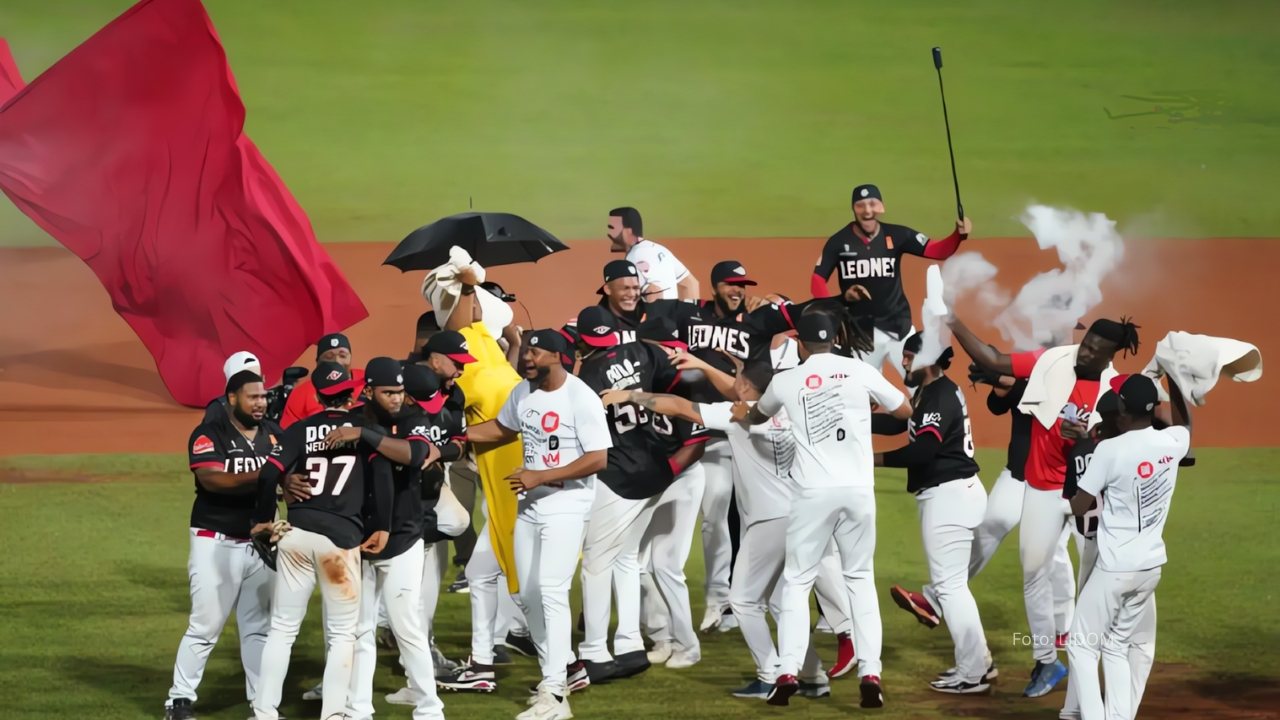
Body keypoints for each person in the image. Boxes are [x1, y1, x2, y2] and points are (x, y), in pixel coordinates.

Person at [607, 360, 834, 701]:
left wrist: (629, 395)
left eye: (738, 380)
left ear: (744, 387)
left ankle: (769, 674)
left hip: (767, 522)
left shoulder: (737, 414)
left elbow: (681, 407)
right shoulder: (792, 412)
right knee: (777, 599)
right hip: (803, 516)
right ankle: (813, 675)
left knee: (742, 600)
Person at [949, 315, 1141, 697]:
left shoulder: (1114, 388)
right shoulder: (1053, 359)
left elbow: (1128, 446)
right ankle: (1046, 661)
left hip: (1089, 492)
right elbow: (992, 358)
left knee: (1099, 575)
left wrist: (1087, 438)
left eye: (1094, 351)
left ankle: (1101, 652)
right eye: (1085, 343)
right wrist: (952, 321)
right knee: (1033, 571)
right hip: (1042, 488)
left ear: (1109, 356)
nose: (1084, 352)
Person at [737, 312, 912, 708]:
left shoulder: (785, 380)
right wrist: (858, 406)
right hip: (857, 492)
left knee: (797, 582)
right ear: (835, 338)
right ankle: (870, 671)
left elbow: (757, 415)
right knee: (859, 579)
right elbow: (904, 411)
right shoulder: (858, 370)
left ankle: (786, 670)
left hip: (812, 494)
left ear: (800, 343)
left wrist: (748, 415)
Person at [249, 361, 420, 720]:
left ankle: (264, 712)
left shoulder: (298, 430)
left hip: (296, 536)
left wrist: (264, 519)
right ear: (352, 392)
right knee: (343, 635)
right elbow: (384, 481)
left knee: (281, 629)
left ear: (316, 394)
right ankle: (333, 714)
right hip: (339, 543)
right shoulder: (365, 431)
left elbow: (268, 475)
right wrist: (384, 526)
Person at [465, 329, 612, 720]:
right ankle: (561, 673)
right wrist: (453, 438)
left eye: (536, 351)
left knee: (550, 590)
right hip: (529, 504)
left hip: (567, 503)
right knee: (525, 595)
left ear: (559, 355)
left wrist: (541, 476)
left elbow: (598, 458)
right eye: (526, 349)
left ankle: (554, 692)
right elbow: (502, 428)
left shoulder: (580, 397)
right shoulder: (524, 392)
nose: (527, 357)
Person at [577, 308, 706, 680]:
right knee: (626, 559)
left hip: (620, 479)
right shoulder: (643, 353)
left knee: (596, 564)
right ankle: (631, 646)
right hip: (655, 472)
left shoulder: (586, 377)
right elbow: (682, 379)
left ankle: (595, 653)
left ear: (583, 341)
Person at [1067, 374, 1191, 720]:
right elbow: (1185, 424)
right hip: (1150, 569)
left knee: (1081, 646)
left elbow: (1080, 506)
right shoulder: (1173, 442)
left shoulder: (1108, 450)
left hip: (1115, 569)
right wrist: (1177, 382)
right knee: (1116, 646)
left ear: (1121, 407)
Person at [874, 334, 993, 694]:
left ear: (928, 360)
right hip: (957, 492)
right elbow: (902, 423)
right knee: (952, 586)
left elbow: (923, 451)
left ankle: (972, 673)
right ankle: (979, 664)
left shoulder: (938, 395)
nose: (904, 363)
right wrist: (856, 417)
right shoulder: (933, 390)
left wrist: (872, 460)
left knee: (951, 589)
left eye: (909, 357)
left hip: (949, 496)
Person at [684, 260, 796, 631]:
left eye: (742, 285)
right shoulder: (695, 316)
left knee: (756, 518)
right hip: (713, 432)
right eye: (731, 284)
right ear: (715, 286)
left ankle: (755, 600)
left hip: (751, 433)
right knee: (716, 512)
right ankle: (718, 599)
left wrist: (775, 304)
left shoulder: (760, 322)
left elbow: (796, 315)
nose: (738, 290)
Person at [164, 370, 283, 720]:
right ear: (232, 398)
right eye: (253, 397)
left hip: (261, 545)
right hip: (215, 543)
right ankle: (179, 700)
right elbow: (213, 479)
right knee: (205, 625)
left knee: (258, 627)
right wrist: (269, 475)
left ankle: (262, 707)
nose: (261, 403)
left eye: (263, 397)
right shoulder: (208, 433)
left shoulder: (275, 435)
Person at [345, 358, 446, 720]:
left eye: (401, 392)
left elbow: (416, 454)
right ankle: (357, 709)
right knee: (359, 629)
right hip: (358, 540)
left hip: (403, 538)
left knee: (407, 627)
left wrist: (366, 436)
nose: (397, 399)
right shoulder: (353, 418)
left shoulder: (412, 419)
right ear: (369, 390)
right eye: (389, 392)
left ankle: (429, 708)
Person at [810, 183, 970, 378]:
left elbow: (936, 250)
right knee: (861, 391)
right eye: (860, 205)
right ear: (853, 208)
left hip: (899, 327)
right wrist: (833, 315)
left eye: (872, 204)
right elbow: (817, 280)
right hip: (860, 334)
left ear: (881, 207)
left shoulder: (897, 234)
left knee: (922, 381)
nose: (867, 210)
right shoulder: (838, 242)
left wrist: (957, 236)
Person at [594, 259, 700, 342]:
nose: (632, 294)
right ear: (608, 289)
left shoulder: (649, 305)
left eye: (635, 288)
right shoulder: (599, 320)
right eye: (625, 288)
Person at [607, 206, 698, 301]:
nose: (609, 233)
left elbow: (654, 291)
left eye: (612, 228)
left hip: (659, 314)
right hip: (670, 313)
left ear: (627, 232)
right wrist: (690, 314)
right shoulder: (658, 249)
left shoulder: (636, 256)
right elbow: (689, 283)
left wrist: (655, 315)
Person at [280, 333, 366, 428]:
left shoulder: (368, 381)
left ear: (350, 357)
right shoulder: (300, 394)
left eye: (343, 356)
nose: (337, 361)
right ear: (317, 362)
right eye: (329, 357)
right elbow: (288, 433)